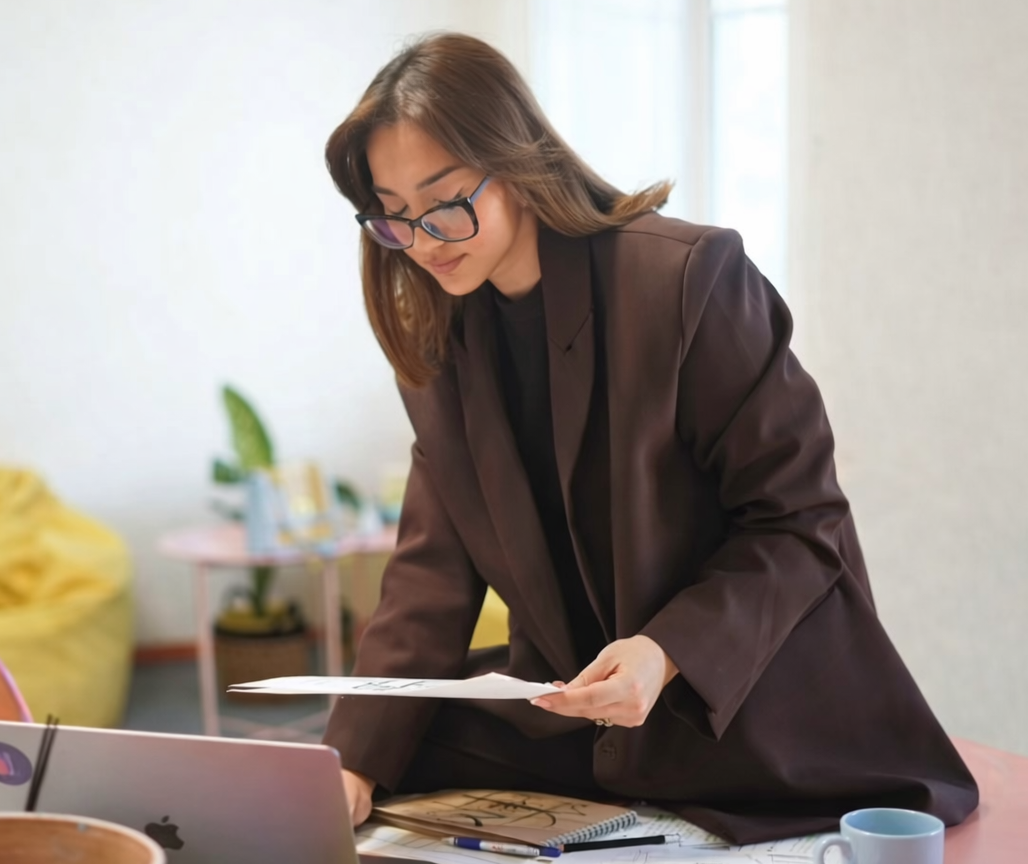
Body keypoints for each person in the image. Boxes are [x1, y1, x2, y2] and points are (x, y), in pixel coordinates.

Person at [320, 32, 978, 845]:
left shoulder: (686, 280)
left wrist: (666, 652)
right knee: (378, 744)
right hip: (579, 708)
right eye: (394, 217)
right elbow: (431, 572)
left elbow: (800, 523)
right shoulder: (442, 341)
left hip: (733, 700)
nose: (423, 241)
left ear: (516, 158)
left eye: (446, 200)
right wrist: (351, 762)